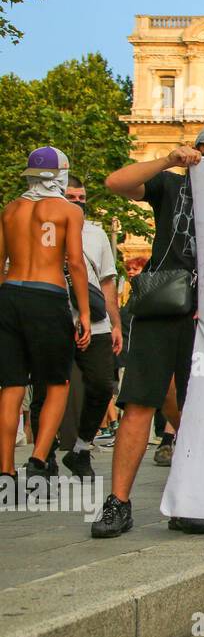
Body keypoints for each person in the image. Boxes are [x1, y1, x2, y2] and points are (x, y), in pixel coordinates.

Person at [91, 125, 204, 538]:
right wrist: (170, 160)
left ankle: (187, 501)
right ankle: (118, 502)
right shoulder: (171, 186)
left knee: (199, 411)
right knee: (139, 402)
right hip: (163, 307)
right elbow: (116, 182)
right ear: (196, 154)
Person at [0, 147, 92, 499]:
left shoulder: (9, 210)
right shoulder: (68, 210)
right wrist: (83, 312)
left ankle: (5, 471)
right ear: (62, 176)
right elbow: (76, 263)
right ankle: (38, 459)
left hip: (9, 295)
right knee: (57, 382)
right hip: (47, 294)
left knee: (11, 387)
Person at [28, 175, 122, 479]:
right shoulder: (36, 229)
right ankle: (45, 455)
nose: (77, 202)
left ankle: (81, 448)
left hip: (94, 322)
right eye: (71, 196)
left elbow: (107, 281)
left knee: (101, 385)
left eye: (82, 198)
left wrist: (115, 323)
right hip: (50, 320)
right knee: (44, 390)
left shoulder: (95, 234)